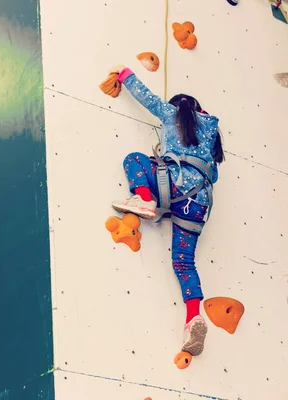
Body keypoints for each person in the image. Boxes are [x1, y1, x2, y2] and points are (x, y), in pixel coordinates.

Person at [110, 65, 225, 357]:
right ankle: (192, 318)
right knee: (184, 263)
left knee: (134, 159)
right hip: (198, 204)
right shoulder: (211, 130)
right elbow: (214, 174)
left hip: (171, 185)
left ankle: (144, 198)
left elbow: (146, 97)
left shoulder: (172, 113)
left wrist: (124, 74)